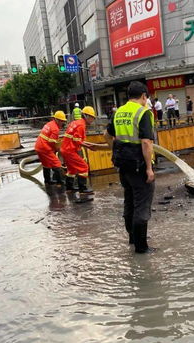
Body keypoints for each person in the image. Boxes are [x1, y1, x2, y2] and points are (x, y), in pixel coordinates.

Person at [104, 81, 155, 254]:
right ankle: (142, 248)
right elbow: (146, 142)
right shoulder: (143, 112)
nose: (146, 101)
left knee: (129, 202)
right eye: (146, 98)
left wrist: (117, 150)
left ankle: (132, 239)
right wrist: (149, 168)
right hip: (138, 166)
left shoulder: (118, 112)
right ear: (143, 96)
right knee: (141, 205)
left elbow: (107, 135)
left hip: (123, 166)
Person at [60, 106, 96, 201]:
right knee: (83, 167)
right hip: (69, 150)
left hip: (65, 149)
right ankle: (83, 190)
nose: (93, 119)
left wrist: (88, 144)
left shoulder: (75, 122)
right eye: (92, 117)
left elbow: (76, 139)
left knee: (72, 170)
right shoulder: (81, 125)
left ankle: (69, 188)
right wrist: (89, 147)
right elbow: (77, 141)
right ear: (86, 116)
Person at [34, 111, 67, 185]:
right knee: (57, 163)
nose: (63, 123)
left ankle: (47, 181)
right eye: (62, 121)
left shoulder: (49, 124)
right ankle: (60, 182)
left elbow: (49, 138)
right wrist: (58, 150)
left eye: (63, 121)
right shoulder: (55, 129)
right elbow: (52, 143)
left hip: (38, 146)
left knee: (46, 164)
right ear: (57, 120)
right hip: (45, 148)